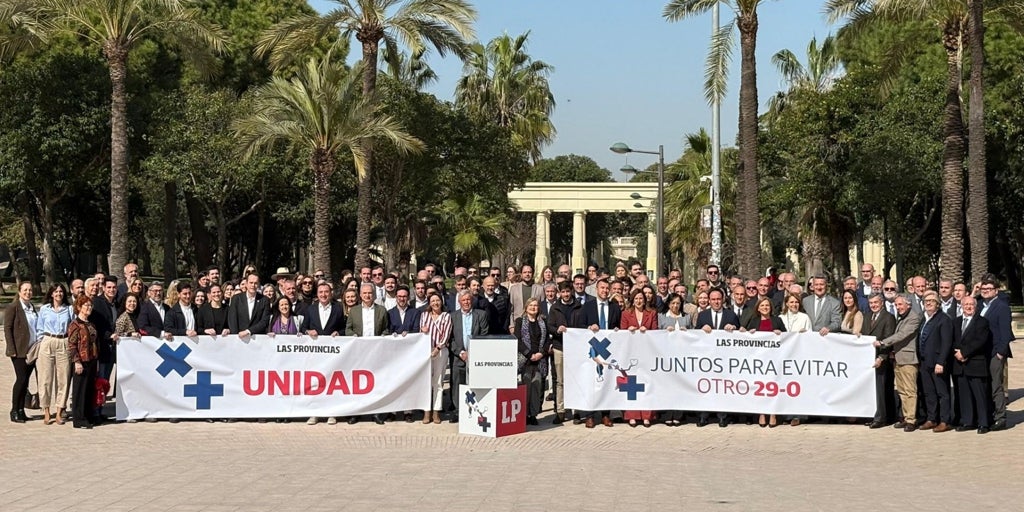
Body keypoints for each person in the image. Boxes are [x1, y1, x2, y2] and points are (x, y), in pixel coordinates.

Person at [875, 296, 923, 432]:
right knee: (901, 390)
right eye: (896, 305)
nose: (898, 307)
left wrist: (883, 342)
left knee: (910, 391)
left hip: (908, 359)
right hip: (898, 359)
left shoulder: (913, 317)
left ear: (908, 304)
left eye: (900, 304)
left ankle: (911, 420)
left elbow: (902, 335)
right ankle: (906, 417)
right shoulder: (901, 318)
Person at [345, 283, 390, 425]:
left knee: (376, 383)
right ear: (360, 295)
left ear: (374, 294)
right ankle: (356, 413)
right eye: (364, 293)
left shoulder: (382, 310)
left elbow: (386, 329)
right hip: (359, 353)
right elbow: (348, 329)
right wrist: (354, 336)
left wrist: (382, 336)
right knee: (358, 383)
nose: (367, 295)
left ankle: (376, 413)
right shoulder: (354, 311)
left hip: (377, 352)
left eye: (370, 293)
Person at [695, 289, 739, 427]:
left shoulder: (731, 315)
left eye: (718, 299)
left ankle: (722, 416)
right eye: (713, 299)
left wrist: (733, 328)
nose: (716, 302)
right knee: (705, 387)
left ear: (723, 299)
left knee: (722, 388)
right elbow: (694, 336)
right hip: (706, 359)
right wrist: (701, 330)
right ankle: (704, 416)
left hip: (725, 359)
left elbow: (740, 335)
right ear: (709, 300)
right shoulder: (702, 315)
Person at [741, 297, 786, 428]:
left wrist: (780, 334)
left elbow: (787, 338)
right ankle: (762, 413)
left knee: (773, 387)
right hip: (759, 360)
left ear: (771, 307)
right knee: (760, 387)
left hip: (774, 360)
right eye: (762, 306)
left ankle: (772, 413)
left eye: (767, 305)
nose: (765, 308)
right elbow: (746, 338)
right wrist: (749, 333)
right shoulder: (754, 321)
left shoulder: (777, 320)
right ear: (758, 308)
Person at [35, 284, 74, 425]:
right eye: (56, 291)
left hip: (63, 341)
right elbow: (39, 327)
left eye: (61, 291)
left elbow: (73, 326)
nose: (59, 294)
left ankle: (59, 411)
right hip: (48, 340)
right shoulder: (44, 309)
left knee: (63, 378)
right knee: (45, 378)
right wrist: (42, 342)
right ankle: (46, 410)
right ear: (51, 294)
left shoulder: (69, 309)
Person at [952, 296, 992, 433]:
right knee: (964, 395)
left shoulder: (982, 322)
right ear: (961, 306)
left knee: (980, 395)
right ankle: (968, 421)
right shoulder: (956, 322)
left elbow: (980, 341)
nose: (968, 307)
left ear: (976, 306)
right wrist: (957, 353)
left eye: (971, 304)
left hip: (976, 364)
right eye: (966, 304)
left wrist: (964, 353)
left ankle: (983, 423)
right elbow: (951, 339)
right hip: (959, 365)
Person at [449, 290, 490, 423]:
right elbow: (451, 338)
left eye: (468, 299)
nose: (466, 302)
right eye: (463, 300)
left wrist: (473, 352)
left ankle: (475, 411)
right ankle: (458, 411)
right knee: (457, 384)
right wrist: (461, 352)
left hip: (476, 357)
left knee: (475, 384)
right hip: (458, 357)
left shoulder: (481, 315)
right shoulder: (452, 316)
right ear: (459, 302)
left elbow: (484, 333)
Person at [618, 288, 657, 427]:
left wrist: (648, 332)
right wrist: (628, 331)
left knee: (646, 383)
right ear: (632, 300)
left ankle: (647, 415)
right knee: (631, 384)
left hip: (647, 353)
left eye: (641, 298)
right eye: (636, 299)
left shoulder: (651, 313)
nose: (639, 301)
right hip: (631, 354)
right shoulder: (626, 314)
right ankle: (632, 415)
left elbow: (656, 332)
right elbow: (621, 333)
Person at [978, 278, 1014, 431]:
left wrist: (1001, 352)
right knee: (985, 385)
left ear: (996, 290)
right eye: (983, 288)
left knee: (995, 386)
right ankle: (988, 414)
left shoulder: (1002, 307)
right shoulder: (979, 305)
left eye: (989, 288)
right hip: (981, 353)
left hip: (995, 353)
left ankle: (1000, 417)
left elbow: (1006, 333)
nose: (985, 290)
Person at [547, 282, 584, 424]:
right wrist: (557, 329)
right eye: (563, 292)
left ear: (571, 292)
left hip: (575, 349)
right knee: (560, 381)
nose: (566, 294)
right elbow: (549, 326)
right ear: (559, 293)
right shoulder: (555, 308)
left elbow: (582, 325)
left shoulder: (579, 307)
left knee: (575, 380)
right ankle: (561, 411)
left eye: (568, 291)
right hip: (559, 347)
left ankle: (576, 411)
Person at [917, 291, 954, 432]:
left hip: (937, 362)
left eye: (932, 301)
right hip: (925, 362)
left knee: (942, 393)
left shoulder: (944, 319)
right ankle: (931, 418)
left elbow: (946, 343)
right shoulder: (924, 318)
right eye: (926, 301)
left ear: (938, 304)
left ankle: (945, 420)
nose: (928, 303)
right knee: (929, 392)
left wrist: (941, 362)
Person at [514, 298, 551, 426]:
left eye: (535, 305)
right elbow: (518, 340)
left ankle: (533, 414)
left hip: (540, 360)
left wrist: (541, 353)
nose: (533, 308)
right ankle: (524, 414)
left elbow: (547, 340)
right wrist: (530, 354)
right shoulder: (519, 321)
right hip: (526, 360)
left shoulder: (543, 321)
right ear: (526, 307)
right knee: (526, 387)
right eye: (531, 305)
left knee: (536, 387)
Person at [6, 282, 38, 423]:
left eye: (30, 290)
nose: (28, 292)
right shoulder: (14, 307)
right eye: (25, 290)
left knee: (25, 382)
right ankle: (14, 410)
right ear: (19, 292)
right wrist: (11, 348)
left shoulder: (32, 308)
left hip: (32, 349)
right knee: (21, 380)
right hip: (19, 351)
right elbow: (7, 328)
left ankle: (21, 410)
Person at [863, 294, 897, 428]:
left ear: (882, 302)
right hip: (868, 359)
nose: (873, 305)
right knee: (873, 390)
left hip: (882, 358)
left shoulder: (889, 317)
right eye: (871, 303)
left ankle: (882, 418)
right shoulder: (867, 317)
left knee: (882, 389)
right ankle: (875, 415)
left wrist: (882, 357)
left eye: (876, 302)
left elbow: (889, 339)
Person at [657, 293, 689, 426]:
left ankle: (678, 414)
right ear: (668, 304)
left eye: (678, 303)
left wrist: (687, 332)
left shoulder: (686, 318)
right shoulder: (661, 317)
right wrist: (664, 331)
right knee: (666, 386)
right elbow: (655, 335)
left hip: (682, 357)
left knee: (680, 386)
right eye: (673, 303)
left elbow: (694, 334)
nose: (675, 306)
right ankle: (666, 414)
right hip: (665, 357)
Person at [67, 295, 99, 429]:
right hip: (81, 360)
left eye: (90, 305)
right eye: (86, 305)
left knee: (89, 390)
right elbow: (72, 345)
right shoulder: (75, 325)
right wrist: (77, 362)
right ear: (79, 307)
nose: (89, 308)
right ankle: (79, 418)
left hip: (91, 360)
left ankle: (88, 415)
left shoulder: (90, 324)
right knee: (79, 390)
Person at [419, 294, 451, 424]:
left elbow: (447, 334)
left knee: (438, 382)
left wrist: (438, 348)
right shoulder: (424, 316)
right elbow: (421, 332)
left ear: (441, 302)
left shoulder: (446, 316)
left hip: (440, 351)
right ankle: (427, 410)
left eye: (438, 300)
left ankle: (436, 410)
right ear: (429, 303)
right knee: (426, 382)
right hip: (426, 351)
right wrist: (423, 330)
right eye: (433, 301)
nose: (435, 303)